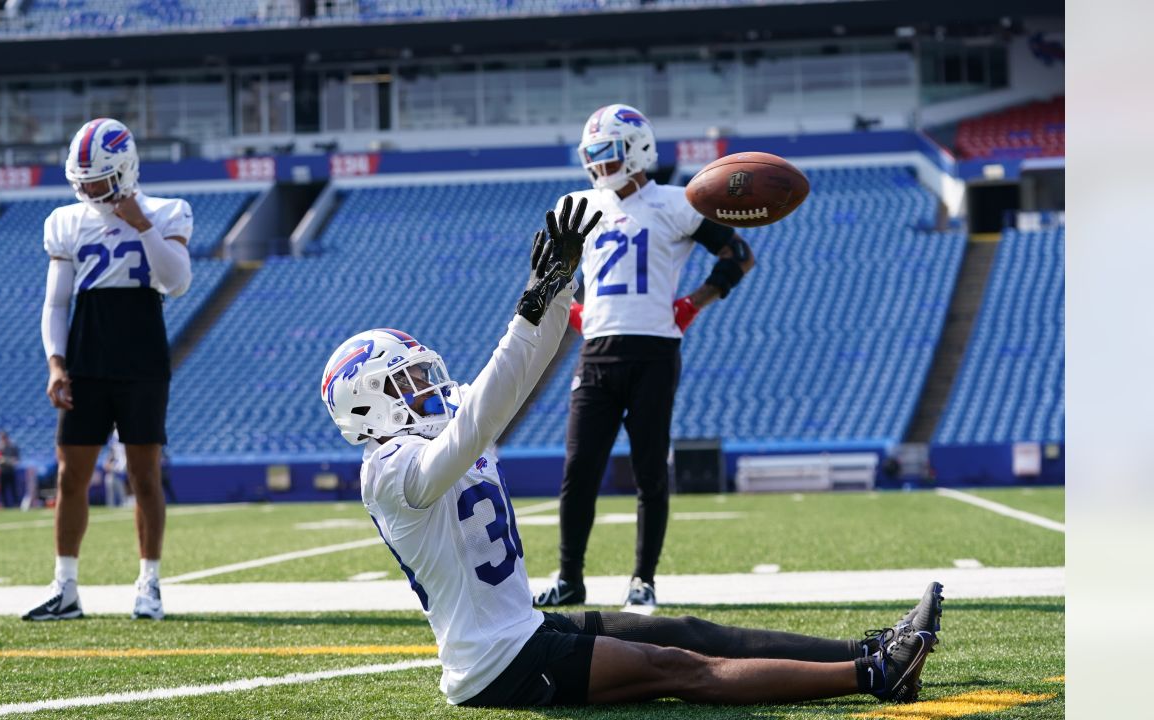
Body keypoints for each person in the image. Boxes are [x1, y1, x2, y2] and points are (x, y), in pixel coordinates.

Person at [321, 198, 943, 709]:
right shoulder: (387, 472)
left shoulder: (434, 438)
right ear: (368, 404)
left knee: (685, 631)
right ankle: (879, 676)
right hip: (498, 665)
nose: (428, 386)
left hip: (523, 631)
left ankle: (870, 648)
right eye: (407, 381)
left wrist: (558, 290)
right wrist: (528, 310)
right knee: (678, 668)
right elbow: (488, 409)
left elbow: (513, 379)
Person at [535, 104, 755, 613]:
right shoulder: (578, 205)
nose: (598, 166)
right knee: (578, 470)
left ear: (636, 150)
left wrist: (692, 304)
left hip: (655, 349)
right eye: (591, 156)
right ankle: (570, 578)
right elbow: (556, 283)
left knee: (650, 470)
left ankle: (643, 580)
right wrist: (575, 314)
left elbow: (739, 254)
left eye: (607, 154)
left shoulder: (678, 203)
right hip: (596, 353)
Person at [23, 117, 193, 622]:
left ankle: (149, 584)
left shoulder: (166, 212)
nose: (90, 191)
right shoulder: (67, 221)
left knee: (144, 475)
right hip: (87, 358)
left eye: (97, 181)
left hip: (142, 357)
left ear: (125, 169)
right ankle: (66, 586)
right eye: (84, 182)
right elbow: (56, 304)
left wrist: (141, 224)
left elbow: (177, 282)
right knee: (70, 476)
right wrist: (56, 363)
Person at [0, 430, 21, 508]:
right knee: (2, 489)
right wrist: (0, 460)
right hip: (2, 471)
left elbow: (17, 459)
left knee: (13, 488)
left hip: (10, 470)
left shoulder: (12, 447)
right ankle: (4, 504)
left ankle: (16, 504)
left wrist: (7, 460)